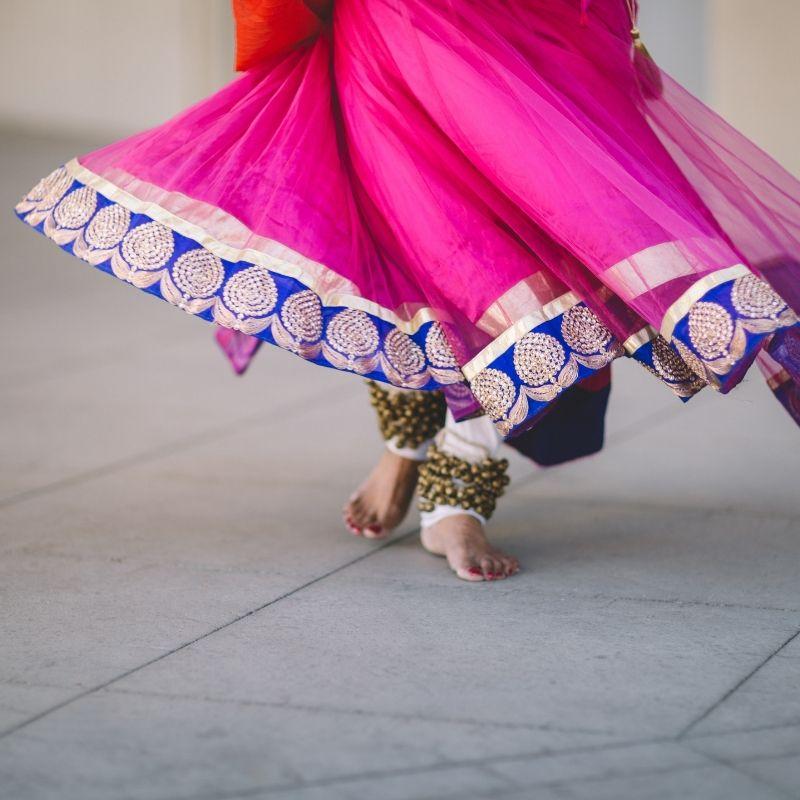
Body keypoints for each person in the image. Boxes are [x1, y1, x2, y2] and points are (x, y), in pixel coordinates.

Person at [16, 0, 800, 581]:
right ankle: (416, 454)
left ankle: (451, 475)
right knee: (422, 233)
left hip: (550, 21)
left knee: (556, 241)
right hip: (406, 16)